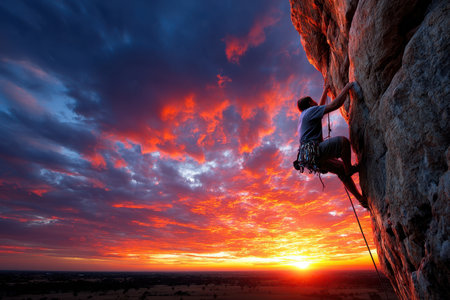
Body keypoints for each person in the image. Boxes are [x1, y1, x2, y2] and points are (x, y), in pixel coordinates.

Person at [293, 81, 368, 209]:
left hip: (308, 158)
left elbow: (320, 106)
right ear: (310, 103)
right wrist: (347, 86)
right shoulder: (310, 111)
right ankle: (349, 169)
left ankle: (361, 200)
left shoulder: (304, 115)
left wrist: (325, 90)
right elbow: (335, 104)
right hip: (313, 152)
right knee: (342, 143)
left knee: (340, 169)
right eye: (313, 101)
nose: (316, 102)